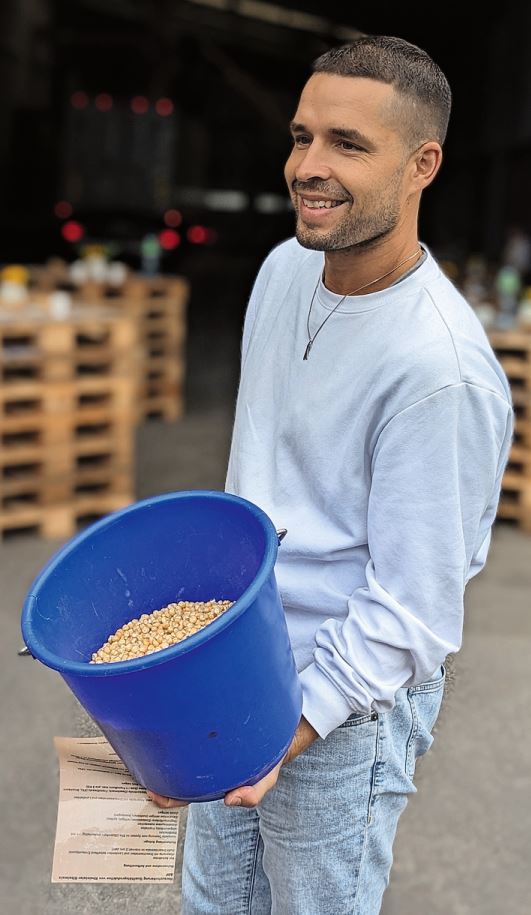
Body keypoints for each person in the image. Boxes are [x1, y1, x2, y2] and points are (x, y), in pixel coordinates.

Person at [148, 35, 513, 914]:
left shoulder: (438, 368)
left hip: (342, 705)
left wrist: (291, 727)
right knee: (212, 902)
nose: (308, 166)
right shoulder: (283, 271)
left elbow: (415, 605)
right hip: (242, 664)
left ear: (421, 164)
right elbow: (262, 482)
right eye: (302, 135)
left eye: (348, 144)